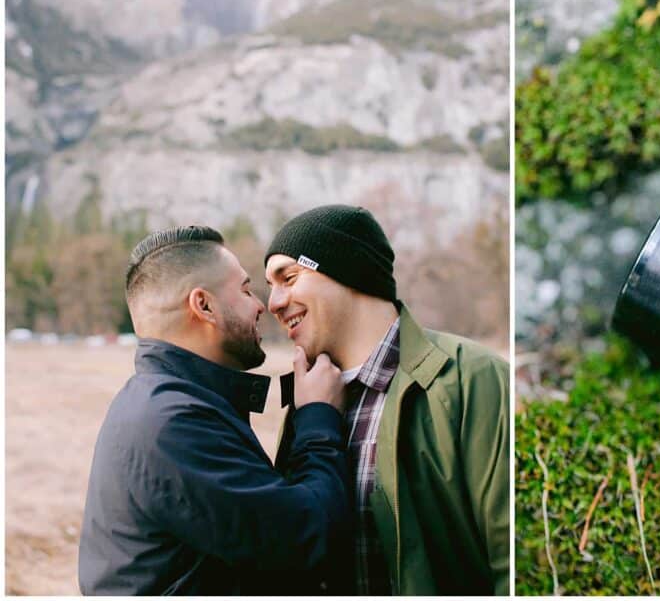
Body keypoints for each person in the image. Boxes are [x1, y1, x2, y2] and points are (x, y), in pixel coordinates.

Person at [79, 226, 353, 595]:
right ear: (203, 305)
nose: (263, 305)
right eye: (245, 289)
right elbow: (307, 538)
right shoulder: (172, 424)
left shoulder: (163, 404)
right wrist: (318, 417)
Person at [265, 205, 510, 595]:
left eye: (288, 278)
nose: (273, 303)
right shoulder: (306, 404)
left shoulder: (473, 378)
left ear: (347, 270)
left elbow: (509, 560)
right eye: (269, 286)